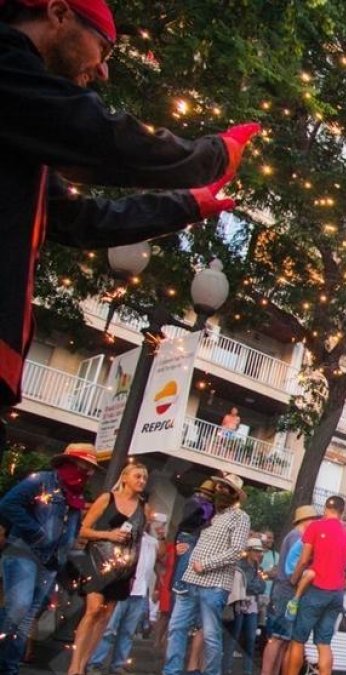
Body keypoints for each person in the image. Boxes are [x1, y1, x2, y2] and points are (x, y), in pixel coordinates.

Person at [0, 0, 260, 446]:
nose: (102, 71)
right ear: (59, 14)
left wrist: (186, 205)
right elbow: (97, 135)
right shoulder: (8, 71)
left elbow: (80, 219)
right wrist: (209, 157)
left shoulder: (24, 128)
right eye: (102, 50)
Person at [0, 442, 98, 675]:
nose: (89, 472)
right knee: (19, 608)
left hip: (51, 561)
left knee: (26, 617)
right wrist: (36, 532)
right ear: (72, 462)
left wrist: (69, 556)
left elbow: (71, 530)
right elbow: (7, 504)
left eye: (91, 468)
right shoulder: (42, 480)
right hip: (24, 551)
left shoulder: (76, 493)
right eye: (86, 465)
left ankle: (9, 668)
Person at [162, 473, 251, 675]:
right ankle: (171, 671)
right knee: (176, 627)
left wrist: (206, 564)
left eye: (224, 487)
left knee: (210, 634)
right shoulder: (210, 514)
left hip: (214, 583)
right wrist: (182, 545)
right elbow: (190, 533)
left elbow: (237, 550)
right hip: (190, 579)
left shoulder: (240, 517)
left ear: (234, 494)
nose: (218, 490)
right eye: (218, 486)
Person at [68, 461, 149, 675]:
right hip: (96, 561)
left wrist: (133, 573)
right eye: (137, 476)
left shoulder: (143, 508)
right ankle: (74, 666)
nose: (141, 481)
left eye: (144, 478)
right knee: (93, 610)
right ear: (125, 478)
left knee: (105, 616)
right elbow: (83, 529)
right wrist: (108, 535)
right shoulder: (107, 499)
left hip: (123, 568)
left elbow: (138, 541)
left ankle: (84, 663)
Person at [87, 505, 164, 675]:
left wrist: (161, 535)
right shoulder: (127, 534)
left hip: (140, 592)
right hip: (122, 588)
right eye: (146, 513)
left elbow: (161, 558)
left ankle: (118, 665)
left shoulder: (151, 541)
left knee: (127, 632)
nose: (149, 517)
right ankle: (94, 662)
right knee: (108, 629)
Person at [284, 495, 346, 675]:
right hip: (337, 593)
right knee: (324, 644)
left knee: (298, 640)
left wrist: (294, 579)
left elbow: (304, 559)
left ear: (325, 509)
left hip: (316, 589)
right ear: (342, 511)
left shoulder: (316, 526)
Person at [260, 505, 319, 675]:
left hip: (286, 591)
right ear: (306, 520)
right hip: (286, 591)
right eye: (314, 519)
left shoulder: (295, 537)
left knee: (282, 640)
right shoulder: (297, 538)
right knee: (277, 639)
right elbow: (294, 567)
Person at [223, 537, 267, 675]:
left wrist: (255, 584)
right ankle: (226, 668)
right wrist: (255, 585)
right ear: (249, 551)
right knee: (233, 637)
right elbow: (247, 584)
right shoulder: (240, 566)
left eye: (260, 551)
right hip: (239, 603)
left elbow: (262, 587)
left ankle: (247, 670)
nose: (259, 554)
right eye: (256, 551)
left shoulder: (257, 568)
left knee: (250, 638)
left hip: (252, 605)